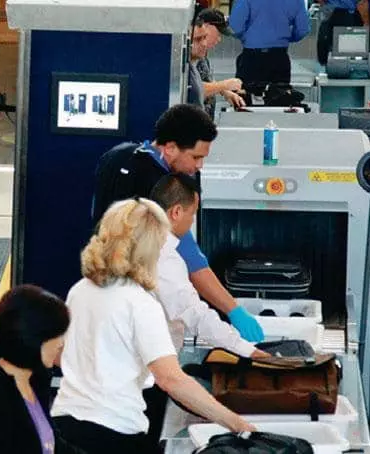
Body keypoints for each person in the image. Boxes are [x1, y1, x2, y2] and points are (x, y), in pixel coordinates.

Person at [51, 198, 256, 454]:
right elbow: (171, 379)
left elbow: (59, 354)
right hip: (114, 433)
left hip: (65, 422)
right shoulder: (139, 302)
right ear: (148, 250)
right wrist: (239, 425)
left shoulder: (81, 289)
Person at [92, 104, 264, 343]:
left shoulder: (116, 156)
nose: (199, 166)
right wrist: (233, 310)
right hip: (138, 311)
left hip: (100, 295)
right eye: (196, 157)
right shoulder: (163, 188)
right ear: (170, 147)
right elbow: (192, 259)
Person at [144, 173, 270, 447]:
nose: (193, 221)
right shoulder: (164, 258)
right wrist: (248, 350)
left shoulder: (140, 245)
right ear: (176, 211)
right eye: (193, 213)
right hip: (144, 377)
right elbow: (196, 314)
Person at [0, 285, 70, 454]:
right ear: (33, 340)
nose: (61, 343)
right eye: (55, 335)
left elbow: (53, 445)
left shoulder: (35, 380)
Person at [229, 0, 310, 85]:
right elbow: (302, 30)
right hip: (280, 57)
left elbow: (235, 28)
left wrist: (247, 37)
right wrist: (286, 37)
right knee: (279, 95)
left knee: (247, 94)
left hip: (252, 57)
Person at [196, 8, 245, 118]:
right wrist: (224, 85)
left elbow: (204, 78)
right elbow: (194, 88)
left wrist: (225, 91)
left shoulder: (202, 54)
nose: (219, 39)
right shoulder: (192, 53)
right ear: (206, 26)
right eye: (218, 33)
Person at [316, 0, 364, 66]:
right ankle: (324, 66)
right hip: (330, 9)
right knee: (324, 41)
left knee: (348, 50)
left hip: (349, 11)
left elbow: (362, 2)